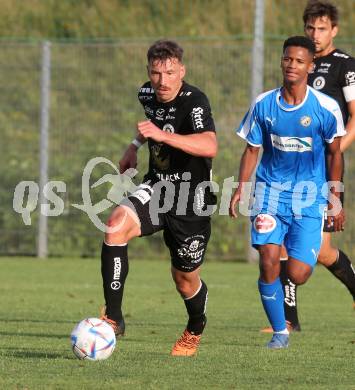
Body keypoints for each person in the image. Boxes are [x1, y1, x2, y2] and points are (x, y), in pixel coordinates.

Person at [99, 39, 217, 357]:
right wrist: (133, 147)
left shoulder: (194, 102)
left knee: (185, 281)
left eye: (169, 73)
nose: (162, 81)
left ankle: (195, 327)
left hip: (190, 200)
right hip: (157, 187)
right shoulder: (147, 93)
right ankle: (113, 317)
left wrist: (164, 136)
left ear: (181, 71)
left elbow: (209, 145)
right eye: (155, 73)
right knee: (115, 226)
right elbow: (150, 123)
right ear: (149, 72)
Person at [230, 36, 345, 348]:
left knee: (298, 272)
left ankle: (285, 311)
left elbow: (335, 155)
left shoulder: (325, 108)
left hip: (310, 198)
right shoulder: (264, 104)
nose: (291, 65)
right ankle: (280, 331)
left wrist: (335, 200)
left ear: (310, 66)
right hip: (269, 193)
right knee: (268, 258)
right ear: (281, 61)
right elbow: (251, 150)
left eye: (298, 61)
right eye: (287, 59)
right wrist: (241, 188)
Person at [267, 0, 355, 333]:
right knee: (294, 242)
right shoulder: (299, 62)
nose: (315, 35)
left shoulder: (345, 66)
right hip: (289, 170)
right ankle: (288, 320)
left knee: (322, 250)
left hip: (322, 171)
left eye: (321, 29)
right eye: (310, 28)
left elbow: (354, 119)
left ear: (334, 30)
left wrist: (330, 152)